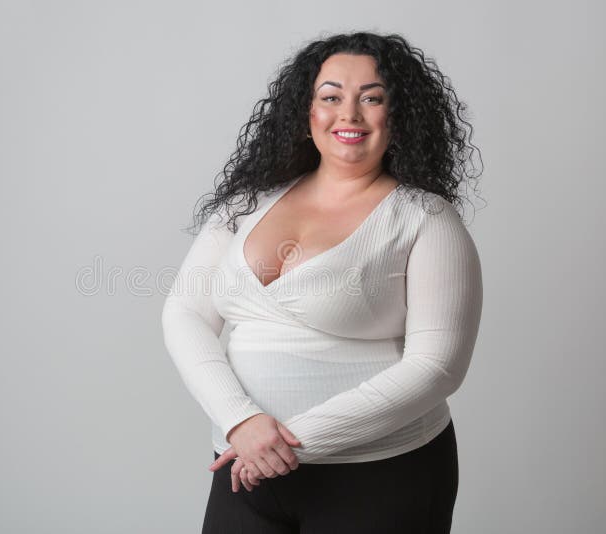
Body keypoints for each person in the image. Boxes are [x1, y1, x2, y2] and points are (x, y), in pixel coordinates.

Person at [161, 30, 483, 533]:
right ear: (304, 111)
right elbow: (185, 315)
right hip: (246, 469)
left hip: (380, 476)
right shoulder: (248, 203)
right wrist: (240, 421)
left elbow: (438, 367)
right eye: (330, 97)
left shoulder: (425, 220)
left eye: (371, 99)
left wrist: (285, 442)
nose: (348, 115)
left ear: (397, 117)